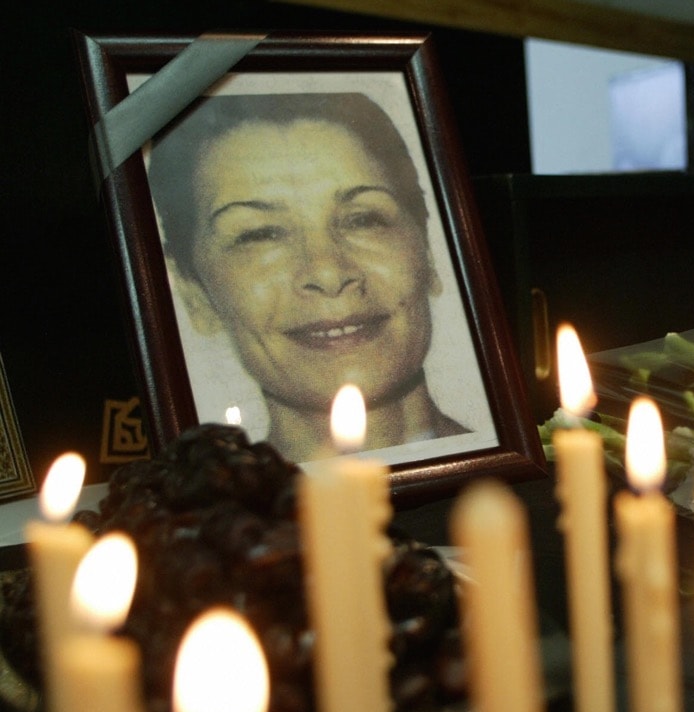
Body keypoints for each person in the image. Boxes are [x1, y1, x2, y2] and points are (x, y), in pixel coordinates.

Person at [147, 92, 471, 462]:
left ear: (427, 251)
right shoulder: (215, 517)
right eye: (260, 234)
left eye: (363, 219)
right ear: (194, 293)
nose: (328, 273)